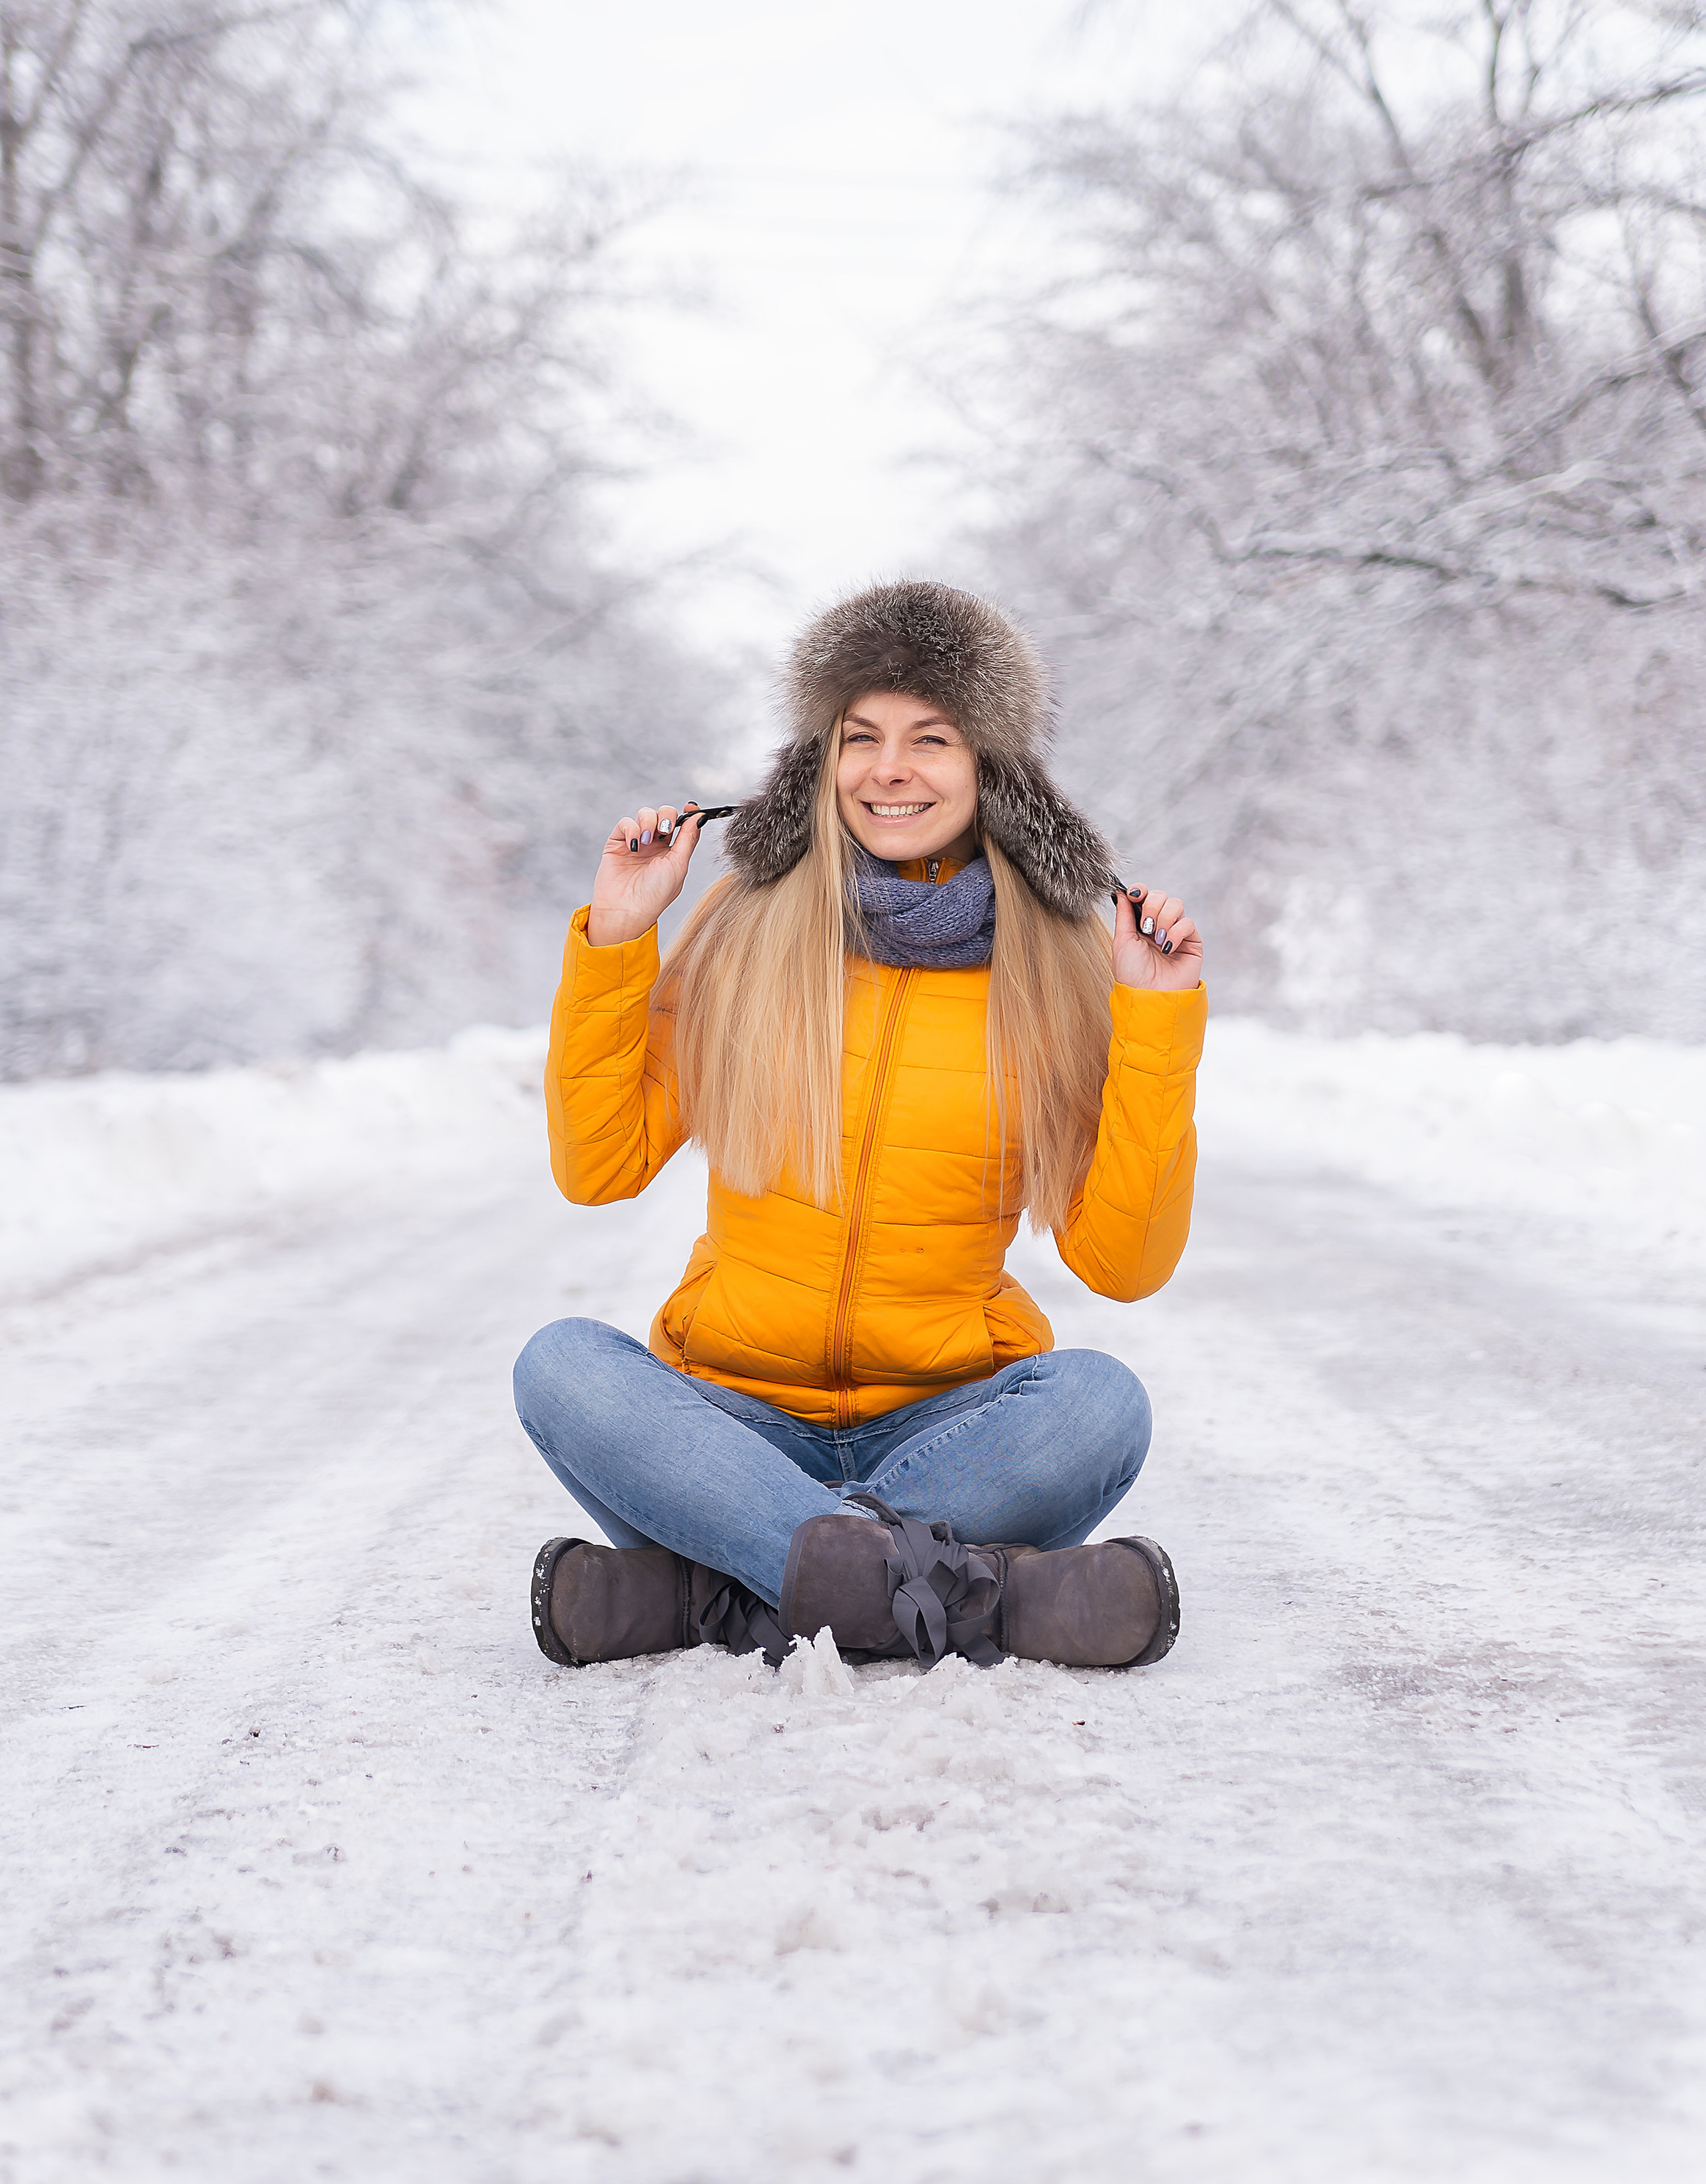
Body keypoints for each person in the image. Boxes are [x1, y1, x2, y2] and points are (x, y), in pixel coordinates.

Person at [514, 579, 1206, 1673]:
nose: (891, 768)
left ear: (991, 769)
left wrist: (1157, 1020)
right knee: (561, 1366)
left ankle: (726, 1589)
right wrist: (617, 936)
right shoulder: (743, 929)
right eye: (861, 736)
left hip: (950, 1429)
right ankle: (975, 1596)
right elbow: (597, 1166)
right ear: (820, 762)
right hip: (735, 1421)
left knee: (1100, 1403)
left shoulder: (1056, 965)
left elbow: (1122, 1263)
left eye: (932, 737)